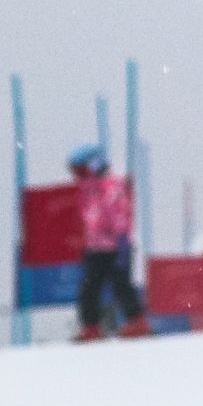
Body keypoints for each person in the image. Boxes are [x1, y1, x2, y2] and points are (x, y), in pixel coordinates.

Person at [69, 145, 147, 339]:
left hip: (116, 245)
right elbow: (88, 218)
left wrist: (121, 243)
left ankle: (137, 321)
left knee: (121, 284)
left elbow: (120, 214)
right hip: (95, 247)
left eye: (81, 170)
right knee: (89, 287)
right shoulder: (86, 189)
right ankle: (91, 326)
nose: (78, 176)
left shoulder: (111, 186)